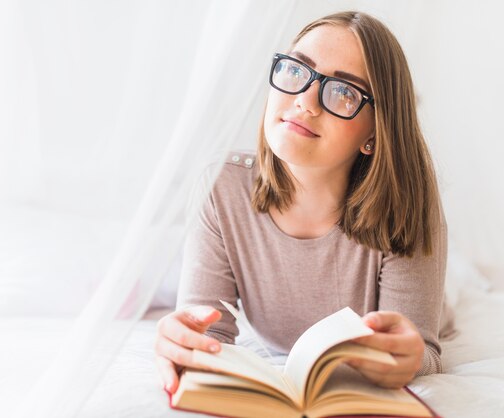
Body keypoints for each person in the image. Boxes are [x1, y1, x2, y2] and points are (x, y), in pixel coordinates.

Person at [155, 10, 455, 395]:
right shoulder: (222, 188)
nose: (306, 102)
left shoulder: (408, 204)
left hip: (434, 299)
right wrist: (183, 340)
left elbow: (424, 350)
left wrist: (411, 356)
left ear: (374, 134)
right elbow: (207, 332)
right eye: (297, 71)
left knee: (454, 294)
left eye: (344, 92)